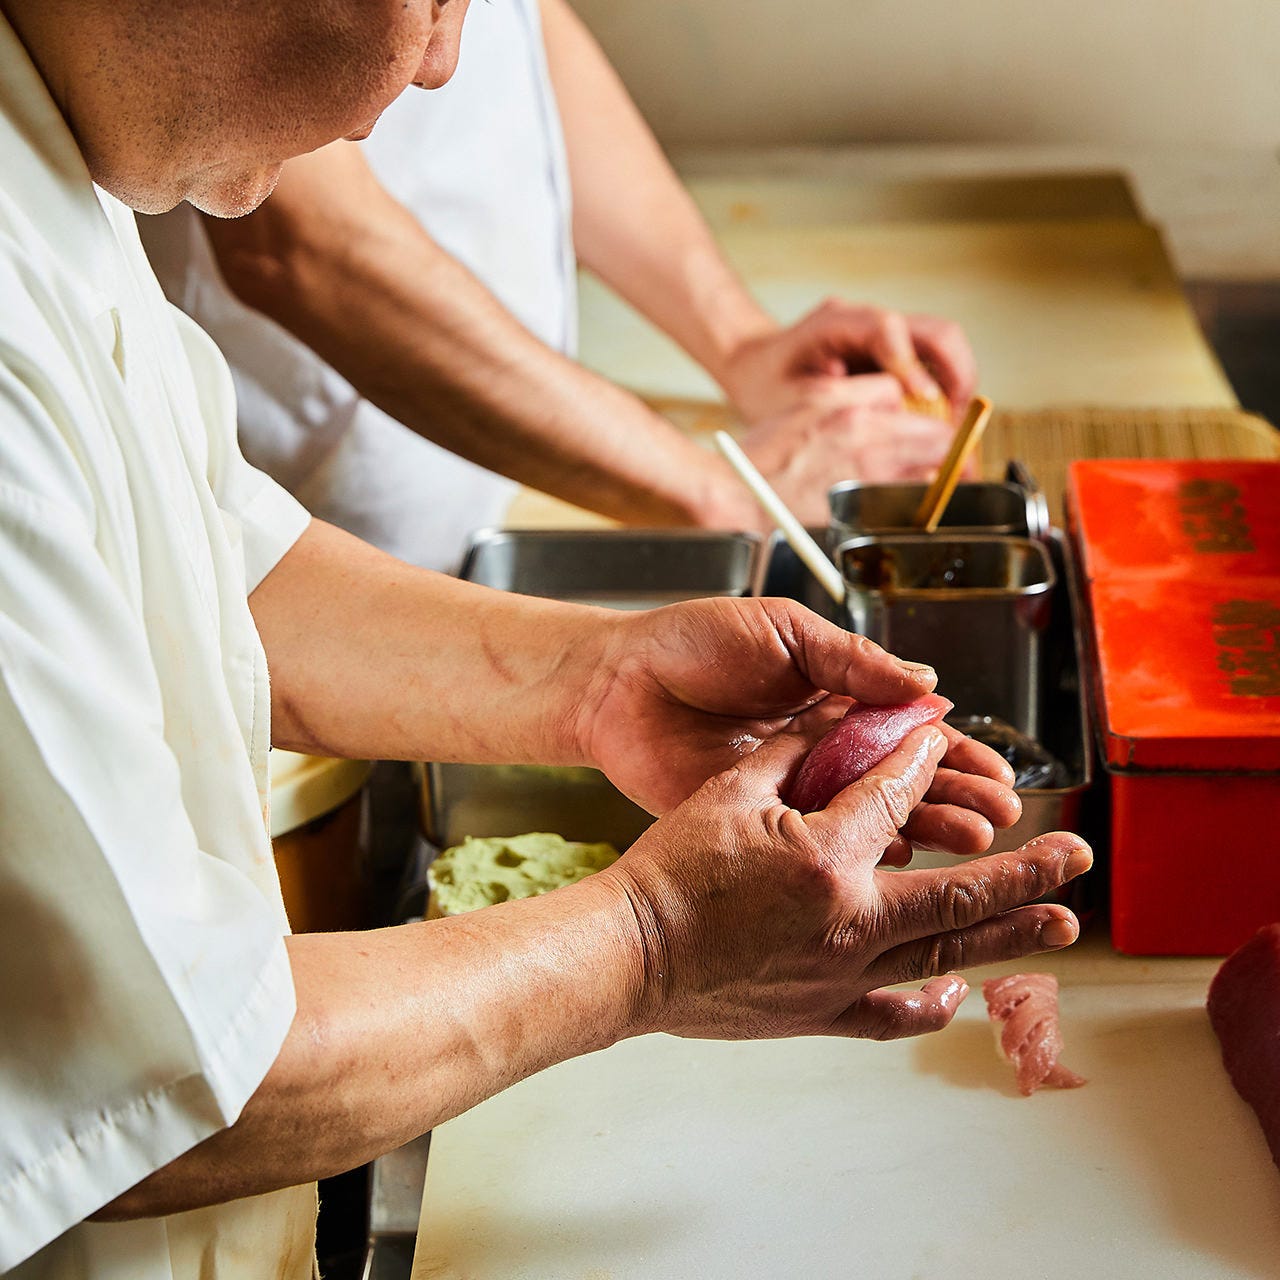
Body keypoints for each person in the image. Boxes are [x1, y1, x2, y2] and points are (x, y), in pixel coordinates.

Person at [0, 1, 1089, 1276]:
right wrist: (652, 943)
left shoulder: (56, 165)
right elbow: (161, 1074)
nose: (451, 62)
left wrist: (596, 681)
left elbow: (202, 558)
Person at [139, 0, 978, 572]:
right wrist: (721, 493)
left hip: (490, 480)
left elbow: (525, 26)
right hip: (307, 509)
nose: (439, 64)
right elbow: (307, 245)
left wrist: (739, 341)